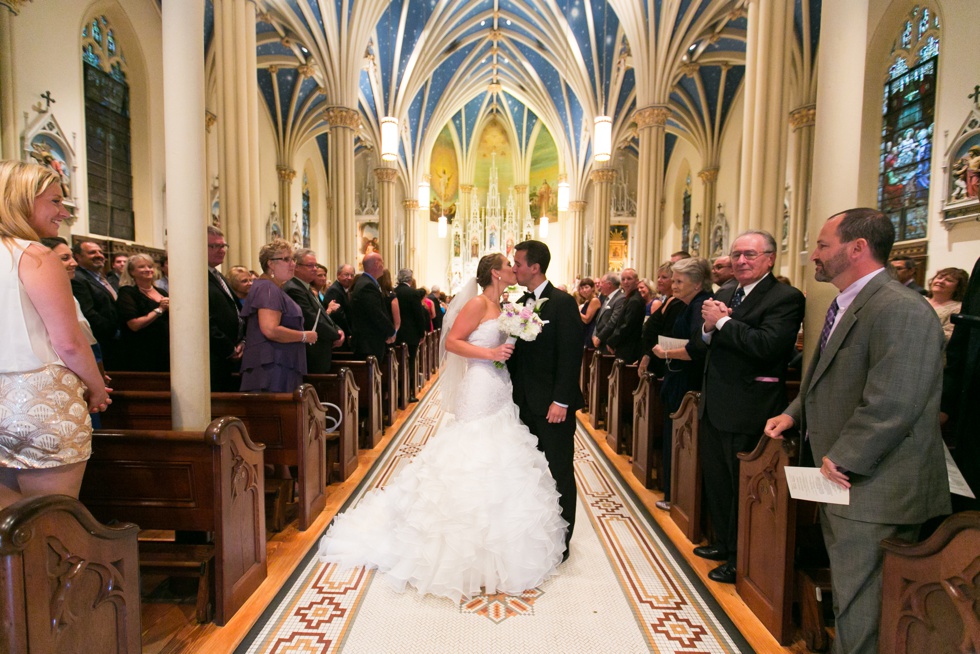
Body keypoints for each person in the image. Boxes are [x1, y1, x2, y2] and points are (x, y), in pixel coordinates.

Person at [319, 253, 566, 601]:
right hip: (481, 384)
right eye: (508, 266)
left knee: (502, 451)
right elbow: (452, 342)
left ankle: (497, 545)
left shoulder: (507, 304)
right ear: (495, 273)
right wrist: (490, 356)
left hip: (501, 386)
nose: (514, 269)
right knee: (472, 451)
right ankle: (457, 545)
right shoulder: (478, 304)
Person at [765, 208, 950, 653]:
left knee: (863, 601)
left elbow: (895, 399)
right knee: (853, 596)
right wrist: (794, 411)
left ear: (858, 248)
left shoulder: (900, 308)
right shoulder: (848, 302)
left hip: (873, 482)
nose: (814, 255)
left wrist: (846, 454)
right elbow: (828, 374)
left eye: (823, 245)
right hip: (846, 479)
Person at [692, 230, 805, 584]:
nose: (741, 261)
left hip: (750, 404)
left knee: (744, 486)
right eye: (737, 254)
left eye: (750, 255)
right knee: (719, 481)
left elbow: (768, 347)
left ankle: (742, 559)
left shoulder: (785, 298)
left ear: (770, 258)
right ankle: (724, 543)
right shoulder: (725, 292)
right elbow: (703, 342)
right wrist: (710, 327)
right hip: (716, 401)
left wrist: (723, 322)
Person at [0, 161, 109, 508]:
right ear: (21, 200)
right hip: (39, 403)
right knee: (52, 528)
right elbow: (69, 341)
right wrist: (96, 389)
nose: (63, 212)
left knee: (8, 534)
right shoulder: (34, 256)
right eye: (55, 201)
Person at [509, 240, 584, 560]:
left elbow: (570, 356)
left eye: (518, 263)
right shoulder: (522, 301)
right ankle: (536, 533)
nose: (514, 268)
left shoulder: (562, 302)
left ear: (535, 267)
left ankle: (562, 541)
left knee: (559, 471)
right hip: (523, 402)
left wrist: (561, 402)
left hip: (552, 406)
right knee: (530, 471)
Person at [649, 257, 712, 511]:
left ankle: (678, 496)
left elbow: (698, 347)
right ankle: (673, 493)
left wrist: (666, 352)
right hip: (679, 379)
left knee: (680, 439)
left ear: (696, 284)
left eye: (678, 281)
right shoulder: (688, 304)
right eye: (672, 280)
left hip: (688, 383)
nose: (673, 285)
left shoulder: (699, 306)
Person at [239, 239, 316, 392]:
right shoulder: (268, 288)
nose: (292, 264)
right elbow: (270, 330)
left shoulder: (273, 288)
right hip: (273, 366)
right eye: (286, 259)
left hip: (279, 362)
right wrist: (304, 336)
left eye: (292, 259)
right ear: (271, 264)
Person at [283, 248, 343, 375]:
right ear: (296, 267)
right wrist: (335, 334)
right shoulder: (294, 289)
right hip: (310, 353)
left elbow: (321, 314)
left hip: (319, 351)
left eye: (315, 265)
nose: (315, 269)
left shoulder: (305, 287)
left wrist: (338, 328)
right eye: (310, 265)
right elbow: (310, 318)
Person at [116, 253, 170, 372]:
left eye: (150, 266)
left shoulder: (161, 291)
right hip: (143, 350)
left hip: (165, 348)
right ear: (131, 272)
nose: (148, 270)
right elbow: (134, 325)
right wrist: (159, 309)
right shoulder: (127, 292)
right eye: (142, 267)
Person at [71, 239, 120, 368]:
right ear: (78, 257)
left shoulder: (99, 277)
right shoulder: (78, 279)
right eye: (92, 252)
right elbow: (88, 312)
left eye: (100, 252)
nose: (99, 255)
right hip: (101, 340)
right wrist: (113, 331)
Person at [207, 226, 244, 391]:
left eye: (223, 246)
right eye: (214, 246)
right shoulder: (194, 275)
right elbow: (203, 320)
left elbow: (234, 309)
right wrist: (228, 348)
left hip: (228, 354)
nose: (221, 250)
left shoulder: (217, 275)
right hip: (212, 356)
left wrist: (242, 340)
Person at [638, 262, 683, 379]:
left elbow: (665, 333)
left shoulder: (676, 302)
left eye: (664, 277)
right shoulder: (667, 300)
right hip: (653, 356)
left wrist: (647, 356)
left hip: (659, 359)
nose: (659, 280)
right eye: (658, 277)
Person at [350, 252, 396, 362]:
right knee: (371, 376)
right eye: (382, 263)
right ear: (376, 264)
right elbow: (376, 313)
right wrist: (391, 331)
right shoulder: (367, 285)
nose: (383, 267)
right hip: (368, 343)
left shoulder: (366, 282)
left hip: (370, 341)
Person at [394, 269, 428, 402]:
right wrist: (422, 332)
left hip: (397, 334)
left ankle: (396, 393)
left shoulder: (394, 291)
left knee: (397, 364)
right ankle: (409, 393)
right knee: (410, 363)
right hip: (411, 334)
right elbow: (418, 315)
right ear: (410, 279)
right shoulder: (412, 293)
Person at [605, 267, 645, 363]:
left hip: (629, 348)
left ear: (637, 281)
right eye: (623, 279)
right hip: (624, 346)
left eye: (629, 279)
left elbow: (627, 326)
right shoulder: (630, 298)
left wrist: (611, 341)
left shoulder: (634, 300)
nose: (626, 282)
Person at [926, 266, 969, 343]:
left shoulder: (958, 308)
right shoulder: (920, 300)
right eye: (939, 278)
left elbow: (948, 336)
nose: (941, 281)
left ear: (958, 287)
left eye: (949, 280)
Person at [324, 263, 355, 350]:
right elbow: (339, 315)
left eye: (352, 275)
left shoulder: (344, 290)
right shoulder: (335, 290)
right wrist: (349, 333)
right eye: (346, 275)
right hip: (339, 335)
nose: (349, 278)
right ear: (338, 275)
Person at [591, 272, 623, 350]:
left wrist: (599, 337)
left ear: (609, 284)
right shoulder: (607, 297)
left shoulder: (620, 298)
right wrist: (594, 335)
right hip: (599, 342)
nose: (600, 285)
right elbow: (598, 320)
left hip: (607, 342)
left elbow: (613, 321)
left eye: (602, 282)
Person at [577, 277, 601, 347]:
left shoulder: (594, 300)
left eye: (586, 287)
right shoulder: (587, 301)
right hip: (585, 331)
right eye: (581, 288)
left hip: (590, 332)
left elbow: (587, 319)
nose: (584, 290)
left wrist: (575, 310)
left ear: (593, 288)